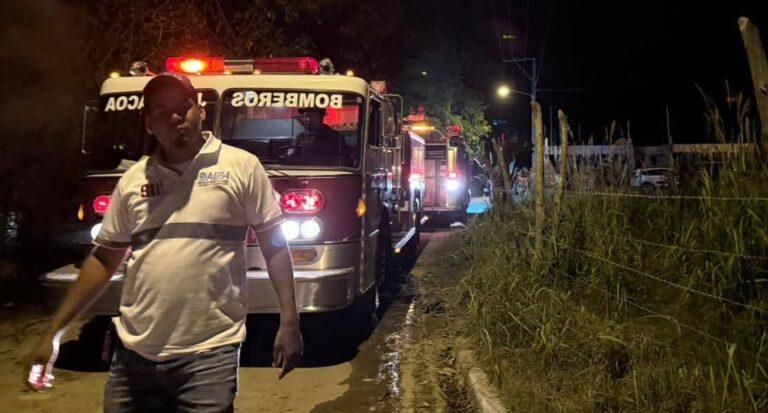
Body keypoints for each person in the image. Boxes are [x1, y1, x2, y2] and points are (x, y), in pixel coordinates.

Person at [24, 72, 302, 412]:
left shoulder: (241, 167)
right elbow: (103, 259)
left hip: (209, 355)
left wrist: (289, 322)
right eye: (161, 111)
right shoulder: (132, 181)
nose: (174, 117)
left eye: (182, 107)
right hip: (133, 356)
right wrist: (54, 332)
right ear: (149, 124)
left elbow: (274, 245)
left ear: (200, 111)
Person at [286, 107, 351, 166]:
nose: (305, 120)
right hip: (303, 172)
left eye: (308, 116)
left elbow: (344, 160)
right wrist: (291, 153)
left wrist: (318, 160)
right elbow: (292, 153)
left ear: (319, 117)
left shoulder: (335, 137)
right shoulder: (301, 136)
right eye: (304, 117)